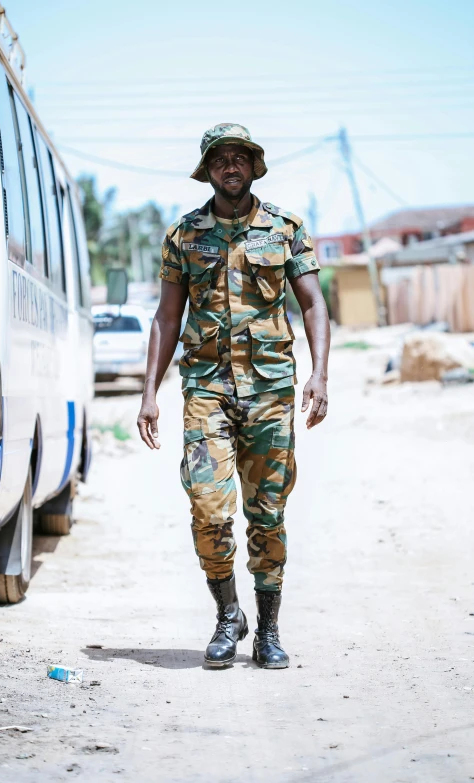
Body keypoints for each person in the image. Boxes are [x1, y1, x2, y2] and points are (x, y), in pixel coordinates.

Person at [138, 123, 330, 669]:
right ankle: (228, 616)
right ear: (208, 169)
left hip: (270, 390)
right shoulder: (184, 236)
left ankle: (268, 630)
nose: (231, 166)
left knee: (267, 512)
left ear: (253, 165)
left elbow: (313, 304)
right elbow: (167, 316)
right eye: (220, 158)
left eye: (239, 157)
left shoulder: (285, 229)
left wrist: (319, 374)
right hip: (206, 389)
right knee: (207, 505)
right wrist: (149, 392)